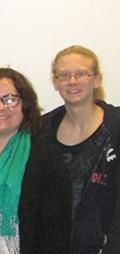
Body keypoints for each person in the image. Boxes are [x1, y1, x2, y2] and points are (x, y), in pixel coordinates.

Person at [0, 67, 70, 253]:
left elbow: (56, 231)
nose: (1, 107)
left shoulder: (45, 157)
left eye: (10, 99)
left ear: (24, 105)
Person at [41, 45, 120, 253]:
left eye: (81, 74)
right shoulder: (41, 131)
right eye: (64, 75)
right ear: (55, 82)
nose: (72, 81)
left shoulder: (116, 129)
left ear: (97, 80)